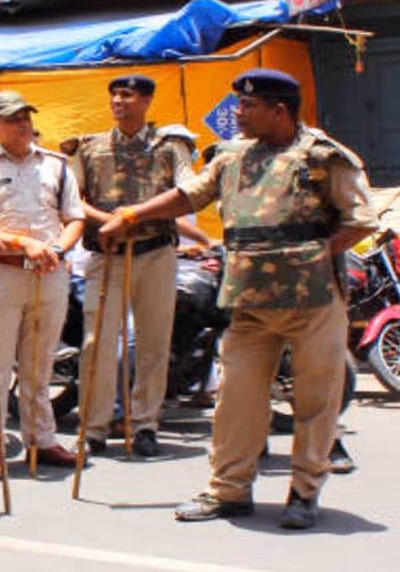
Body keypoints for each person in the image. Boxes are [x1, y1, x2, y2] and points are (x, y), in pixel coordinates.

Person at [98, 69, 378, 530]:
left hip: (312, 304)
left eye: (247, 107)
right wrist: (130, 215)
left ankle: (304, 492)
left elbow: (362, 219)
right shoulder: (231, 157)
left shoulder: (324, 157)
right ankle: (228, 491)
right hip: (248, 302)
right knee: (236, 400)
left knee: (315, 400)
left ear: (279, 111)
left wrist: (314, 254)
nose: (238, 114)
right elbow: (189, 196)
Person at [67, 74, 198, 457]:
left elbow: (188, 193)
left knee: (154, 341)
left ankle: (145, 424)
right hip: (105, 254)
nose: (119, 102)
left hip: (155, 251)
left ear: (147, 101)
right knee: (97, 342)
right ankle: (93, 426)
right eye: (115, 96)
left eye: (128, 95)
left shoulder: (170, 147)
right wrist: (106, 222)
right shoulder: (90, 147)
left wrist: (132, 218)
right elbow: (73, 199)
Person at [0, 91, 84, 480]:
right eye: (13, 118)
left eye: (25, 117)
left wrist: (56, 251)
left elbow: (74, 218)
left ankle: (42, 438)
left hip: (48, 274)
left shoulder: (57, 166)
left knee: (40, 364)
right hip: (0, 273)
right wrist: (23, 245)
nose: (22, 124)